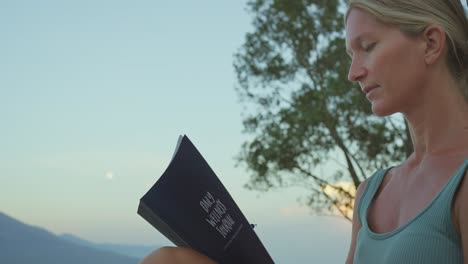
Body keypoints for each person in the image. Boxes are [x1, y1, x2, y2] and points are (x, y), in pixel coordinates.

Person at [140, 0, 468, 263]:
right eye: (351, 55)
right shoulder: (371, 192)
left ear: (430, 43)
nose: (354, 73)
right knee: (169, 260)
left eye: (368, 46)